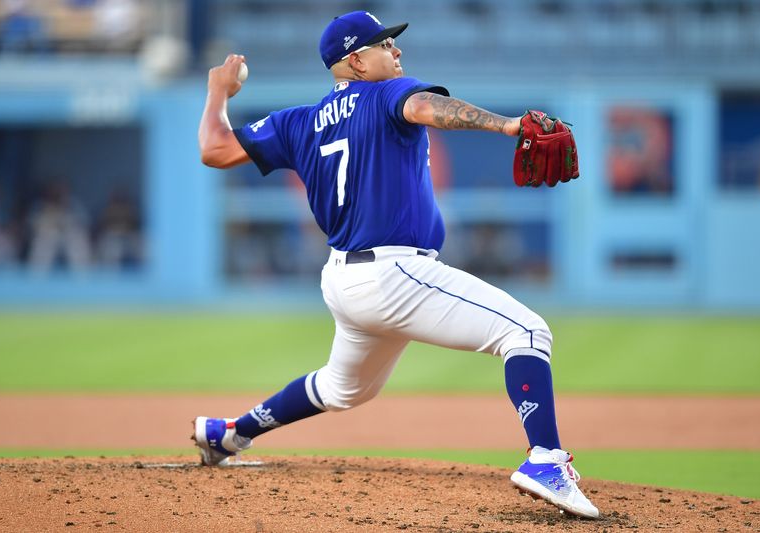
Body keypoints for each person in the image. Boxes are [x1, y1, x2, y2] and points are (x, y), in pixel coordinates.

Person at [194, 11, 599, 519]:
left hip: (343, 279)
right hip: (393, 274)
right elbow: (426, 106)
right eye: (386, 43)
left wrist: (219, 93)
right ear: (357, 60)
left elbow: (213, 148)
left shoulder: (294, 122)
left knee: (343, 389)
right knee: (528, 332)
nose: (398, 52)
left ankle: (229, 434)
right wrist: (511, 125)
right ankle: (545, 459)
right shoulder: (387, 93)